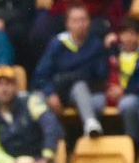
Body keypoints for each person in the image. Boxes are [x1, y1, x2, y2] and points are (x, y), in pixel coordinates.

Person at [33, 5, 105, 139]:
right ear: (68, 24)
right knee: (36, 99)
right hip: (57, 90)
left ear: (89, 22)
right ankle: (53, 136)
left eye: (83, 20)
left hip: (83, 93)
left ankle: (91, 125)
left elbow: (100, 75)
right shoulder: (57, 44)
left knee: (80, 87)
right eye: (75, 21)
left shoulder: (96, 45)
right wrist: (50, 93)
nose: (80, 24)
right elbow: (41, 75)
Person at [107, 18, 139, 142]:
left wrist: (124, 91)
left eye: (132, 34)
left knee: (128, 104)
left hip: (134, 95)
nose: (128, 38)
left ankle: (132, 142)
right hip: (110, 94)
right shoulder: (111, 54)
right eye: (125, 34)